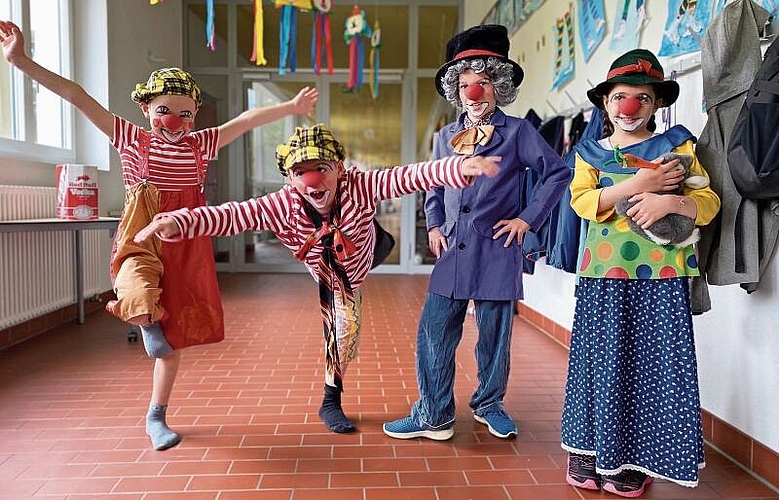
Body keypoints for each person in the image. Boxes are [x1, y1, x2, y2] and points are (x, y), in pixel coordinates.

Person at [0, 20, 318, 450]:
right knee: (138, 294)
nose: (176, 120)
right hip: (142, 236)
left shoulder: (200, 145)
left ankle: (156, 413)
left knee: (171, 343)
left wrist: (290, 108)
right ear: (147, 108)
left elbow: (244, 121)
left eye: (186, 112)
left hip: (185, 240)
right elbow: (77, 95)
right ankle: (144, 317)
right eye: (166, 110)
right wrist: (20, 61)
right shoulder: (132, 140)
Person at [134, 123, 501, 434]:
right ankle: (331, 401)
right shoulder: (280, 204)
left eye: (322, 168)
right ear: (290, 179)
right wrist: (179, 222)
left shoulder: (360, 184)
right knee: (342, 333)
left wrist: (459, 167)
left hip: (366, 250)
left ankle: (359, 276)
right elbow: (231, 215)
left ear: (339, 169)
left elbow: (407, 176)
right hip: (329, 271)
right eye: (301, 172)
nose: (312, 179)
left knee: (348, 314)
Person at [382, 24, 570, 441]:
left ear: (497, 86)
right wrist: (433, 222)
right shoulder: (445, 137)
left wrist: (527, 219)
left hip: (497, 247)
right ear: (455, 89)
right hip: (452, 245)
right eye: (465, 84)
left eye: (482, 82)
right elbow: (433, 183)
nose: (473, 92)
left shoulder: (519, 131)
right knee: (435, 330)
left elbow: (557, 173)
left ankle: (489, 404)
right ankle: (434, 414)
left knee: (494, 336)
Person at [561, 49, 720, 497]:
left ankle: (634, 458)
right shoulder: (590, 151)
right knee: (599, 365)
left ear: (656, 106)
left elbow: (708, 203)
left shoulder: (677, 147)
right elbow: (583, 203)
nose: (629, 108)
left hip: (662, 277)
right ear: (606, 104)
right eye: (620, 97)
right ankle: (590, 452)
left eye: (642, 99)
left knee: (652, 369)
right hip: (603, 276)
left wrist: (670, 201)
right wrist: (638, 185)